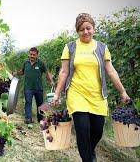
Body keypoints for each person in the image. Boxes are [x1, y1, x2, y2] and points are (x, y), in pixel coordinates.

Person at [51, 13, 130, 162]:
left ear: (93, 28)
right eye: (81, 29)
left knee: (97, 131)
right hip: (77, 94)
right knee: (82, 129)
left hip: (97, 96)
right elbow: (64, 71)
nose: (85, 32)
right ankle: (87, 159)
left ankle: (90, 151)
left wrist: (123, 92)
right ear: (77, 31)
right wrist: (57, 93)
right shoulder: (70, 47)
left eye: (88, 28)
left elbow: (111, 71)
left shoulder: (102, 47)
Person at [13, 47, 55, 124]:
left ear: (37, 55)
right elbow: (22, 72)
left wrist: (51, 81)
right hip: (28, 87)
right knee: (28, 102)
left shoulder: (40, 63)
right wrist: (16, 73)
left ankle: (40, 119)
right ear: (29, 54)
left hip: (38, 88)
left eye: (34, 55)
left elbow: (47, 73)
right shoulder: (26, 63)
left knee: (40, 104)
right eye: (31, 54)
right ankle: (28, 118)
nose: (32, 56)